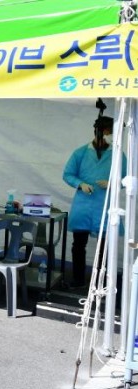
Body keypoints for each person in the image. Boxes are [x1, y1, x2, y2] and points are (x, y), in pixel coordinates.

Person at [63, 115, 126, 289]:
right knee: (78, 245)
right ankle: (77, 280)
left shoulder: (117, 154)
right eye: (106, 132)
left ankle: (101, 283)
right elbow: (67, 174)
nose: (107, 136)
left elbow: (127, 178)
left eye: (109, 133)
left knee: (104, 247)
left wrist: (113, 183)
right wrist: (80, 184)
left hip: (104, 206)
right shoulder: (81, 153)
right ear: (99, 131)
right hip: (83, 205)